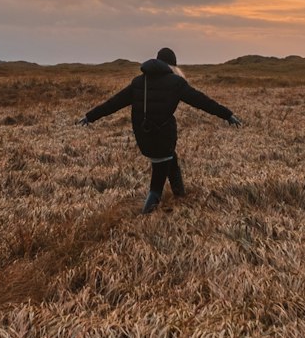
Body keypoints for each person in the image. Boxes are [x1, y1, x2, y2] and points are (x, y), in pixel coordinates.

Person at [78, 47, 243, 214]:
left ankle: (180, 196)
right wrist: (227, 115)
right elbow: (202, 101)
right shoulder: (176, 83)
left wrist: (90, 116)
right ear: (172, 65)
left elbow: (113, 103)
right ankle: (145, 217)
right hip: (163, 136)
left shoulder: (138, 82)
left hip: (144, 135)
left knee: (171, 161)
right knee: (156, 185)